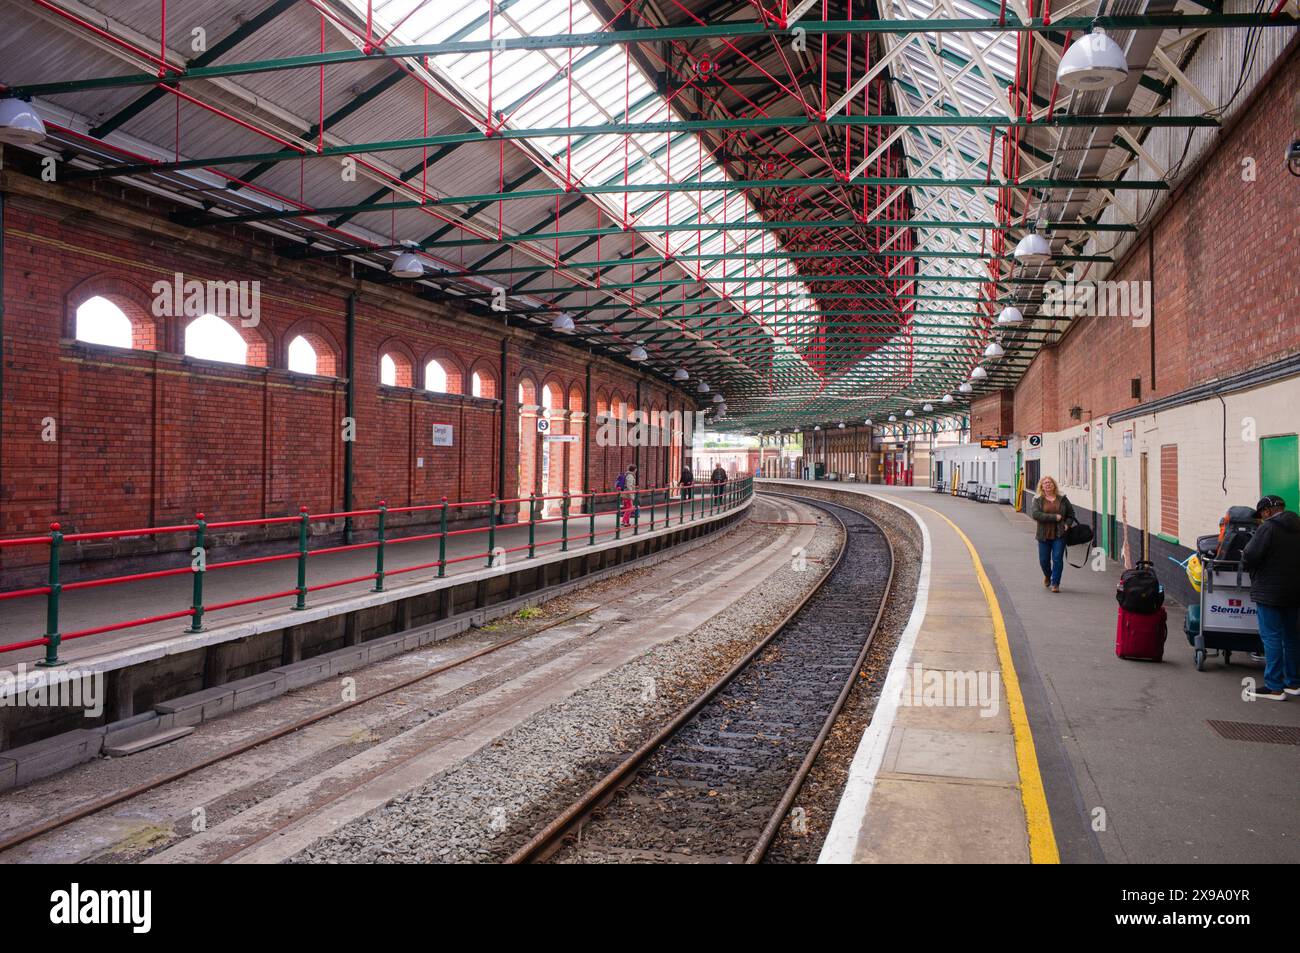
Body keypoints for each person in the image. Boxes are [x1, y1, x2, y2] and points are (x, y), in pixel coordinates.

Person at [1240, 494, 1300, 701]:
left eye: (1262, 514)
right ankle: (1293, 682)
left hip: (1270, 591)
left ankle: (1274, 687)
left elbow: (1250, 554)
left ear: (1267, 511)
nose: (1262, 518)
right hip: (1295, 591)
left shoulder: (1268, 528)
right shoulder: (1298, 525)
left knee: (1272, 636)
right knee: (1292, 637)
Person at [1030, 475, 1077, 593]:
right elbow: (1036, 515)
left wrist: (1067, 524)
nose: (1048, 484)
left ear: (1054, 485)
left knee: (1057, 559)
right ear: (1042, 486)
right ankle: (1048, 575)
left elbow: (1071, 514)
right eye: (1045, 483)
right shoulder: (1038, 500)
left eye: (1050, 483)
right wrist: (1055, 517)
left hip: (1059, 534)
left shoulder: (1062, 499)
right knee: (1044, 560)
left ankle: (1055, 583)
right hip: (1043, 534)